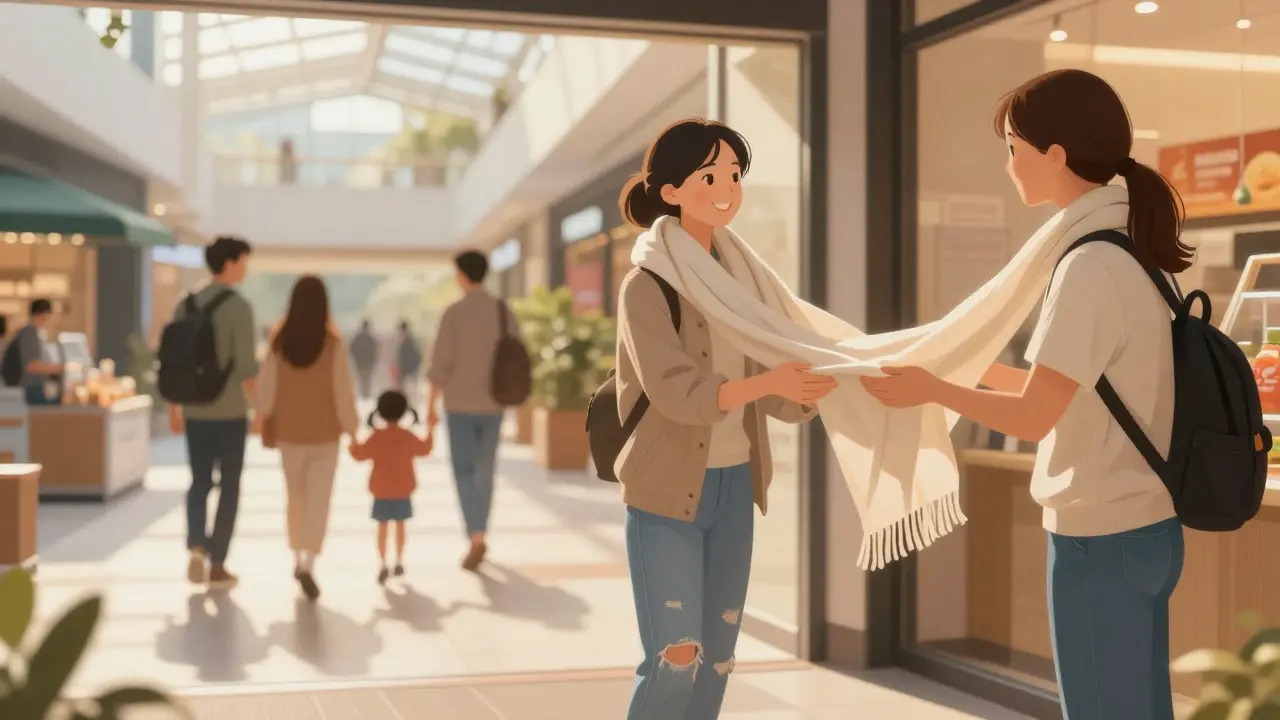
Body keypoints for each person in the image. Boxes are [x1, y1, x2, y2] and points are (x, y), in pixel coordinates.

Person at [861, 69, 1188, 720]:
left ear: (1056, 155)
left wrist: (935, 389)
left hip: (1098, 538)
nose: (1008, 165)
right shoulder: (1131, 248)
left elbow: (1036, 417)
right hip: (1147, 528)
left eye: (1014, 148)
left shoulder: (1088, 266)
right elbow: (1072, 391)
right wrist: (946, 372)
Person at [613, 119, 835, 719]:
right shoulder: (647, 286)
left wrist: (821, 383)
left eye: (735, 174)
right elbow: (677, 391)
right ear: (671, 191)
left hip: (736, 486)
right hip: (665, 494)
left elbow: (780, 392)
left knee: (716, 662)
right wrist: (770, 381)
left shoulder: (748, 287)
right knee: (676, 657)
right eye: (710, 175)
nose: (727, 187)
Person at [257, 275, 358, 601]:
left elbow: (267, 389)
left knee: (296, 497)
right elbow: (343, 390)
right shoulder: (333, 344)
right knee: (320, 500)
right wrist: (353, 428)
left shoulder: (278, 343)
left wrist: (262, 417)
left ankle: (296, 556)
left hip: (290, 433)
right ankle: (309, 563)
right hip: (326, 435)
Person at [170, 236, 260, 591]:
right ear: (231, 262)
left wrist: (177, 408)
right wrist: (262, 410)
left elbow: (175, 362)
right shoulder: (239, 307)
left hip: (194, 411)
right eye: (244, 261)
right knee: (230, 486)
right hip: (231, 412)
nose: (246, 268)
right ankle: (218, 562)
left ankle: (195, 544)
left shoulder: (185, 303)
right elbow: (246, 369)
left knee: (199, 481)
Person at [426, 250, 521, 571]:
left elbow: (439, 365)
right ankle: (481, 531)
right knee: (485, 470)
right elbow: (518, 353)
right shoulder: (502, 311)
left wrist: (430, 406)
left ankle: (476, 535)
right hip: (494, 403)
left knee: (463, 472)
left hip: (459, 405)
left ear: (462, 276)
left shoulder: (453, 313)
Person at [349, 390, 433, 584]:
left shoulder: (376, 437)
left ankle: (383, 562)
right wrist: (431, 429)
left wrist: (352, 437)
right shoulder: (407, 436)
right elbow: (425, 449)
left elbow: (359, 454)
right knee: (401, 525)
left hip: (381, 491)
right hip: (403, 490)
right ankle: (399, 560)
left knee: (382, 527)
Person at [3, 299, 64, 405]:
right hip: (29, 389)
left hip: (29, 388)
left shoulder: (30, 332)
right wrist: (59, 368)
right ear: (44, 314)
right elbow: (31, 366)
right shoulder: (30, 333)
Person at [349, 319, 378, 400]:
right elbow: (374, 352)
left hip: (360, 362)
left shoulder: (358, 338)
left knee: (362, 378)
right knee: (366, 379)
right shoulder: (370, 339)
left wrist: (356, 359)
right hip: (367, 363)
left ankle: (364, 394)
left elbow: (352, 349)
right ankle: (365, 394)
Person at [396, 321, 422, 399]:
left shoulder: (407, 341)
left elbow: (408, 356)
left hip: (408, 368)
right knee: (408, 388)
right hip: (409, 368)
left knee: (408, 388)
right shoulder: (410, 340)